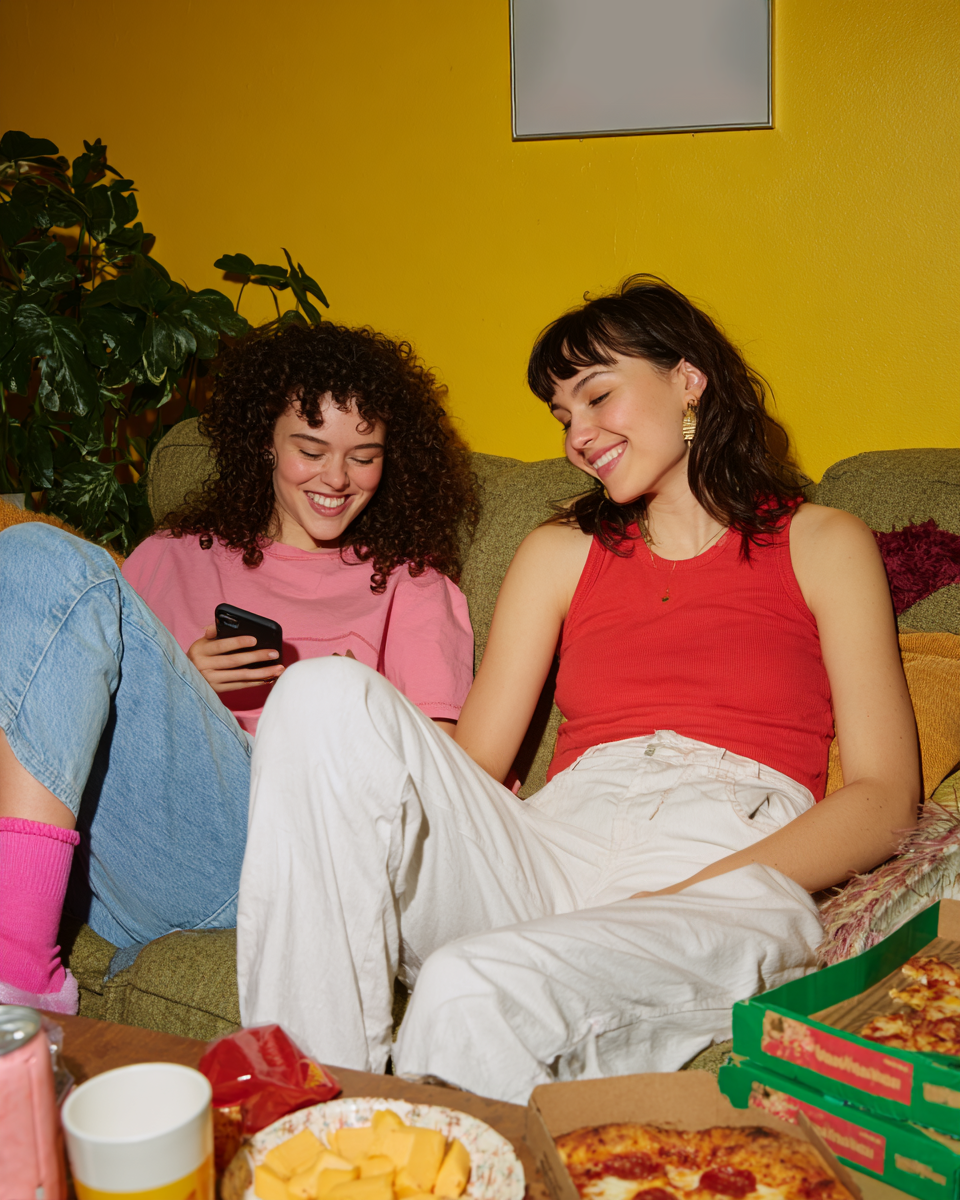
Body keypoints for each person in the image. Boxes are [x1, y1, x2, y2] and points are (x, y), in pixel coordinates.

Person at [237, 276, 920, 1104]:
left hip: (724, 854)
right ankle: (302, 1113)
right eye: (562, 417)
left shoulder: (820, 540)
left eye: (597, 397)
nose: (578, 436)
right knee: (320, 693)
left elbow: (885, 799)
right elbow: (476, 760)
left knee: (466, 988)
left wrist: (692, 893)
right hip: (555, 840)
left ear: (688, 380)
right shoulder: (559, 550)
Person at [0, 319, 476, 1014]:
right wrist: (186, 681)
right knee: (35, 557)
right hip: (113, 855)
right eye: (310, 449)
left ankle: (19, 976)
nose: (337, 479)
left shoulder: (411, 584)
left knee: (54, 560)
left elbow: (439, 778)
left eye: (364, 455)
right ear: (264, 441)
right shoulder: (171, 554)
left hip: (268, 852)